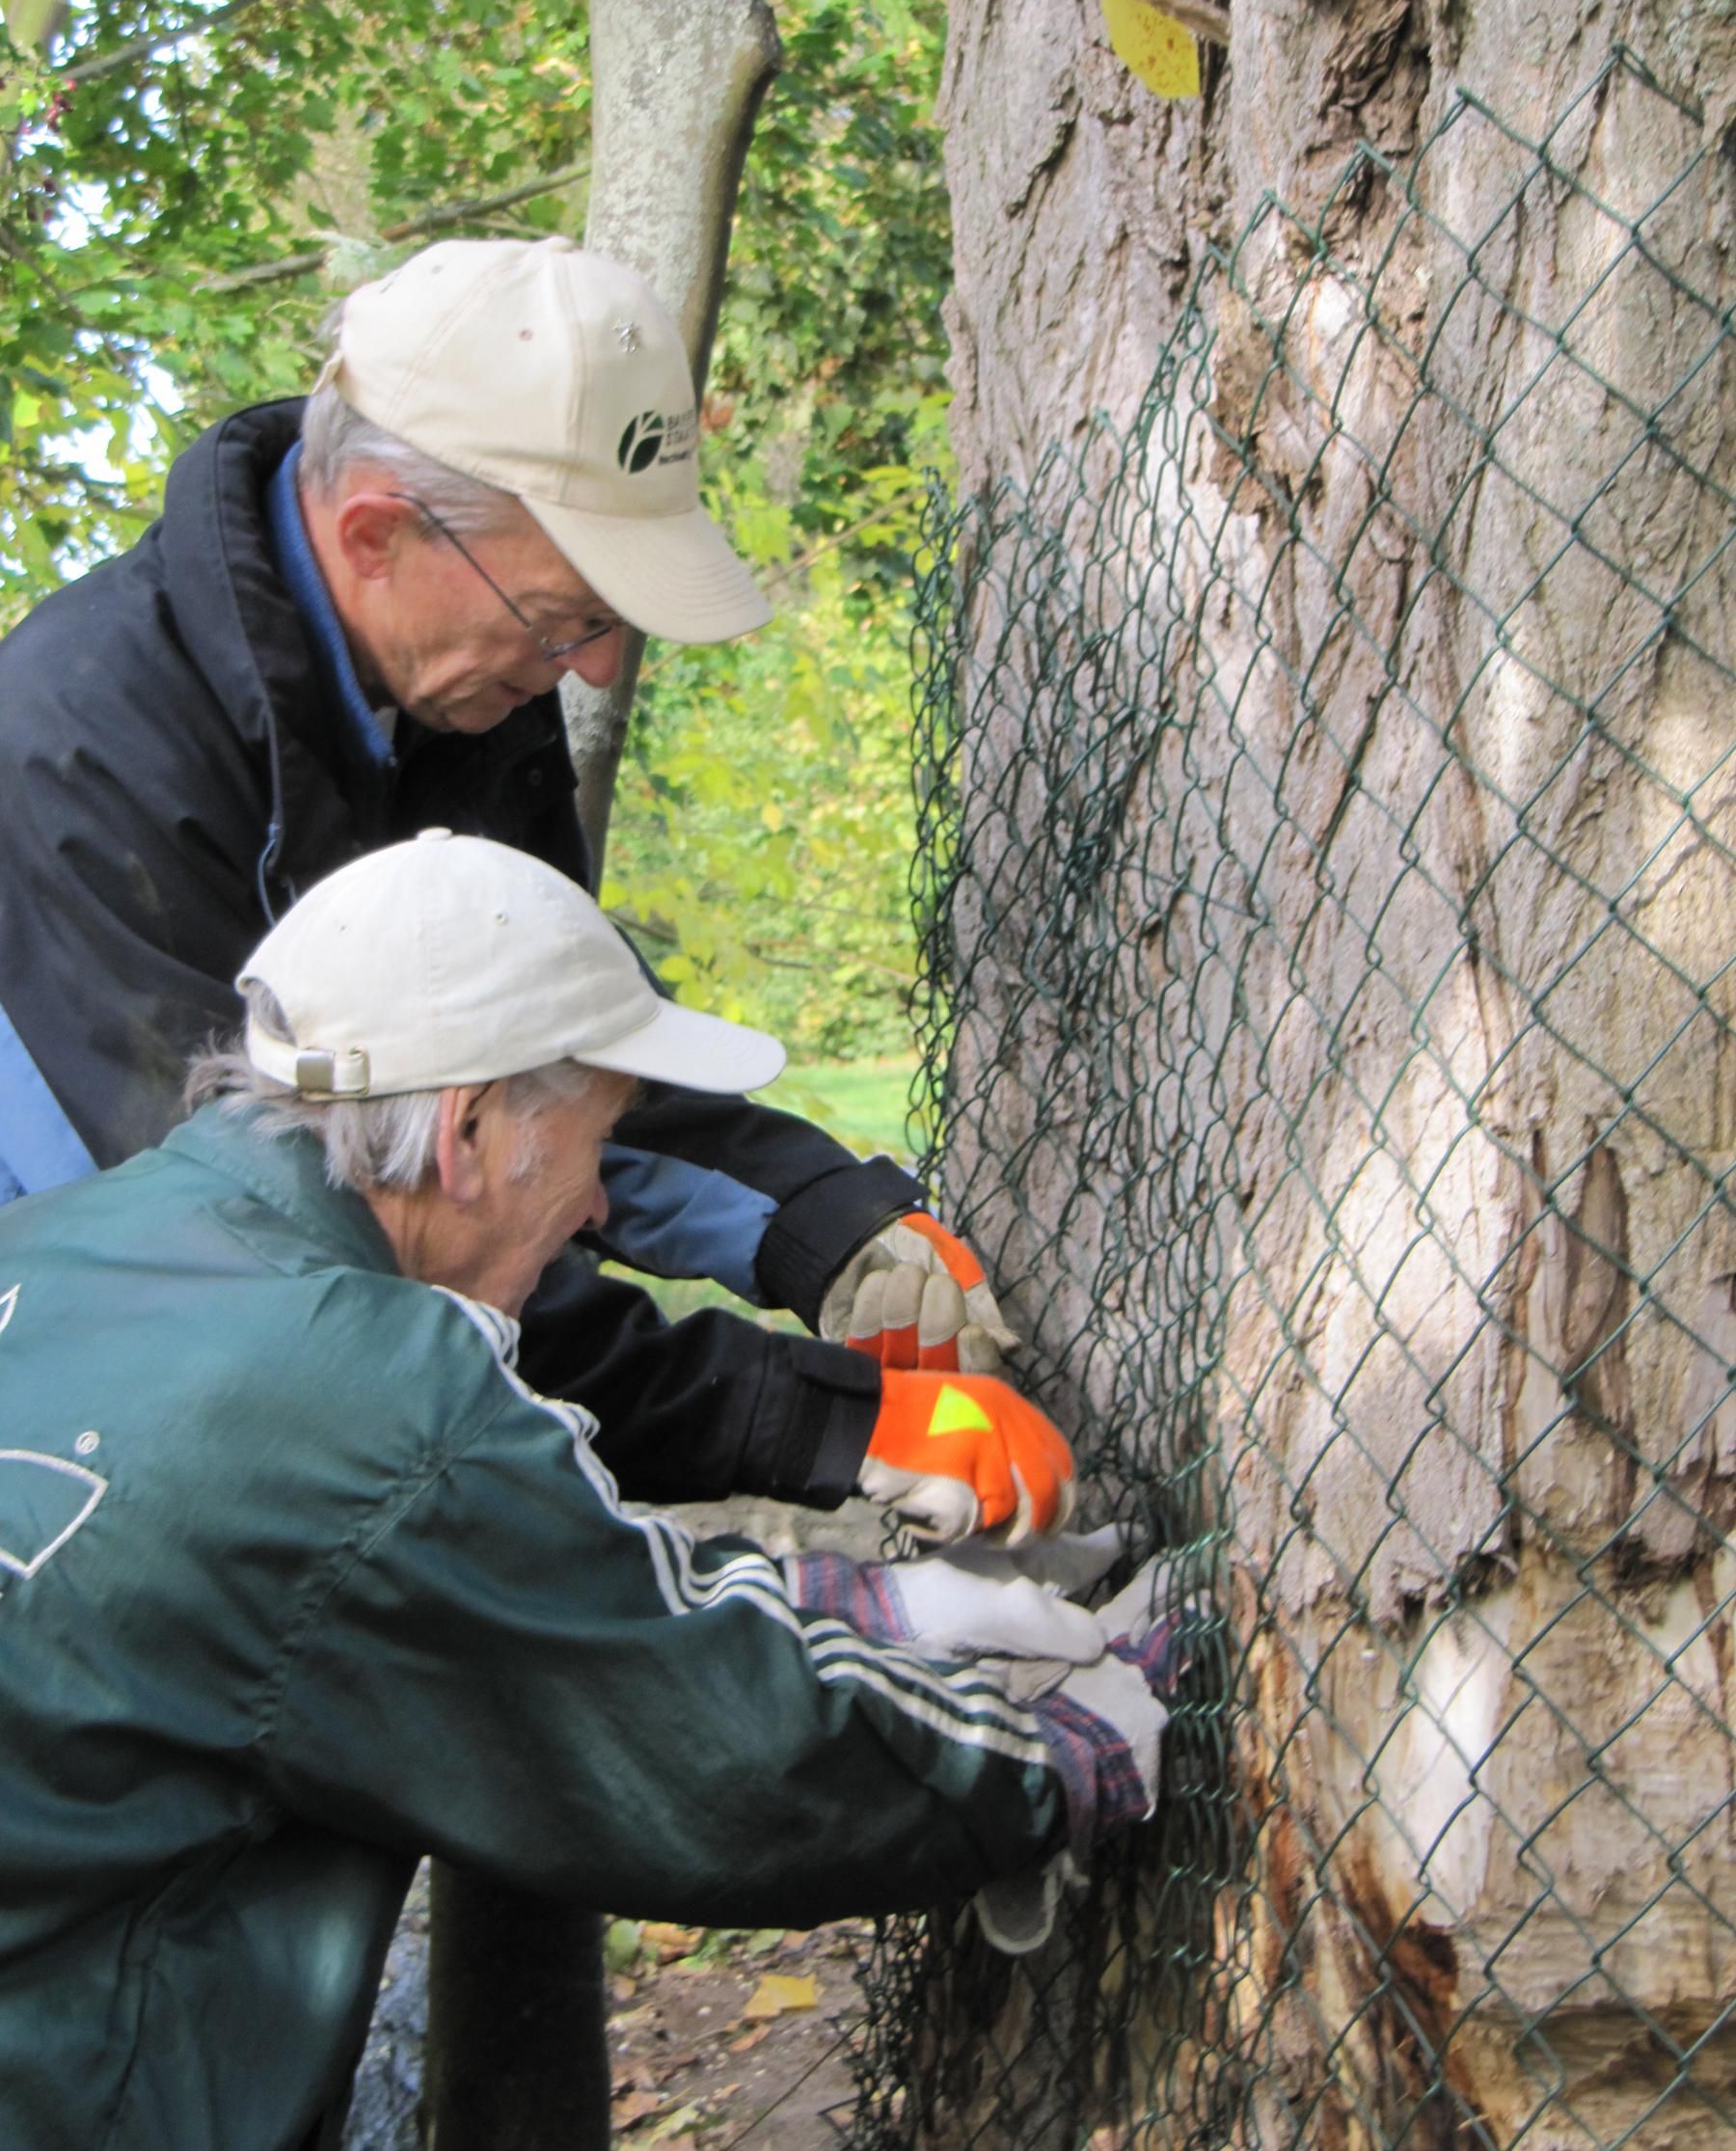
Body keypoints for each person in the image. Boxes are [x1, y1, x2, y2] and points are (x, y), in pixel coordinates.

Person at [0, 834, 1190, 2151]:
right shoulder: (368, 1398)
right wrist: (1060, 1756)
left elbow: (487, 1590)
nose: (597, 1210)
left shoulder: (70, 1243)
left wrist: (868, 1610)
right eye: (600, 1143)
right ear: (465, 1132)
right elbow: (708, 1757)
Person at [0, 232, 1063, 1539]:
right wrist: (820, 1421)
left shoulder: (457, 680)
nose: (597, 669)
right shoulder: (77, 753)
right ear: (378, 534)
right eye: (568, 617)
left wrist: (819, 1219)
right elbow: (339, 1255)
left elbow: (554, 1050)